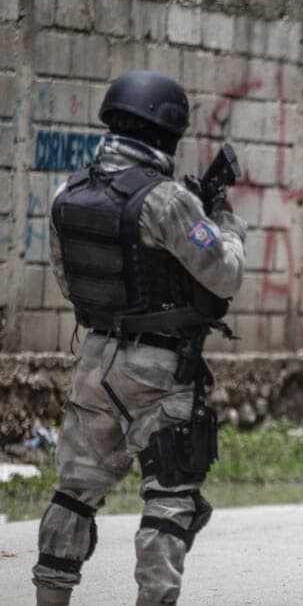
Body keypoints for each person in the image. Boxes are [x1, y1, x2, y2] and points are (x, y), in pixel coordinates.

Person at [32, 70, 247, 606]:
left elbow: (67, 281)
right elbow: (224, 274)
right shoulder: (165, 199)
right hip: (160, 368)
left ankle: (49, 597)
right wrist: (226, 222)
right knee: (170, 497)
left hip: (93, 359)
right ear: (167, 133)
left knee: (75, 492)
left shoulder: (68, 191)